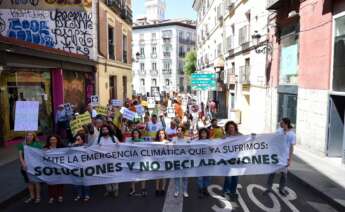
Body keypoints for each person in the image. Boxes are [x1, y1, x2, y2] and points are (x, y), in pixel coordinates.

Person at [264, 118, 296, 196]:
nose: (279, 124)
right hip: (276, 156)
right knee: (272, 173)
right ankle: (268, 188)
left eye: (281, 123)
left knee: (284, 175)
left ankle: (281, 189)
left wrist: (289, 159)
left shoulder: (292, 134)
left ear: (286, 124)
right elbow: (272, 140)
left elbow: (291, 147)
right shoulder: (279, 131)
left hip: (284, 157)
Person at [95, 124, 120, 197]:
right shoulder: (98, 139)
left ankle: (116, 190)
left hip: (113, 161)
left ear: (109, 130)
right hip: (103, 161)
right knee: (105, 176)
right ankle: (108, 190)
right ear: (101, 131)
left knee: (114, 175)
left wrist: (118, 144)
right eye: (103, 130)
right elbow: (92, 148)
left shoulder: (113, 138)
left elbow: (120, 148)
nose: (105, 131)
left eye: (106, 129)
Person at [18, 132, 43, 204]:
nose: (29, 136)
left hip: (35, 166)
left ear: (34, 136)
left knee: (36, 182)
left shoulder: (38, 144)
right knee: (29, 182)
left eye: (31, 135)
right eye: (28, 135)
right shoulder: (22, 145)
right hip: (25, 166)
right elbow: (20, 156)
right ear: (26, 136)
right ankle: (32, 196)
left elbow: (41, 155)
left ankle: (38, 196)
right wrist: (23, 164)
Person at [222, 121, 241, 200]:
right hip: (228, 160)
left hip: (237, 159)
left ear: (235, 128)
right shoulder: (225, 136)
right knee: (228, 177)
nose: (231, 129)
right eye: (229, 128)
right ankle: (225, 190)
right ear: (227, 129)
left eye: (232, 127)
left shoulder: (240, 135)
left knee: (235, 177)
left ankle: (233, 191)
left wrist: (253, 137)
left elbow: (248, 141)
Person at [44, 135, 64, 204]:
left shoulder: (61, 147)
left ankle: (60, 196)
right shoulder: (45, 148)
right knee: (51, 183)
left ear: (57, 140)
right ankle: (51, 196)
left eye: (54, 139)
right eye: (51, 140)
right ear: (49, 141)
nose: (53, 141)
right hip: (49, 169)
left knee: (60, 182)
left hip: (59, 168)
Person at [72, 134, 91, 202]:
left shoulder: (86, 146)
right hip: (76, 167)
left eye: (78, 139)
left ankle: (87, 195)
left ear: (82, 140)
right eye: (76, 139)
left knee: (86, 182)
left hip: (85, 167)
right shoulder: (73, 146)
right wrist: (74, 145)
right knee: (77, 182)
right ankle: (79, 194)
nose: (77, 141)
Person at [128, 129, 147, 196]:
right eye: (134, 133)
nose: (135, 134)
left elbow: (145, 149)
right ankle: (132, 190)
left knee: (142, 175)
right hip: (132, 161)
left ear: (139, 134)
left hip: (140, 160)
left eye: (136, 133)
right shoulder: (129, 141)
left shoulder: (142, 141)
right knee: (132, 176)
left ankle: (143, 189)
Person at [173, 126, 189, 198]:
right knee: (176, 177)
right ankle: (177, 191)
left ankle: (185, 191)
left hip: (185, 161)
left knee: (185, 178)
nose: (177, 132)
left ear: (183, 132)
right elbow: (169, 147)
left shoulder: (187, 139)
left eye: (179, 130)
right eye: (177, 130)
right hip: (176, 161)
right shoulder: (174, 139)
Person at [197, 128, 211, 198]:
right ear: (200, 134)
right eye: (202, 133)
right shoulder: (196, 141)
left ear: (207, 134)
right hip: (199, 162)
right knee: (200, 178)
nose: (203, 134)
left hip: (208, 162)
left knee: (207, 177)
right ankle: (200, 191)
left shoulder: (210, 141)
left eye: (204, 133)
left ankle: (205, 189)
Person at [154, 130, 169, 196]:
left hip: (165, 161)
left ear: (164, 135)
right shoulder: (155, 142)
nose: (161, 135)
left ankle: (163, 189)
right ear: (158, 135)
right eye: (160, 133)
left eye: (162, 133)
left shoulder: (167, 142)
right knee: (157, 176)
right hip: (157, 161)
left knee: (164, 176)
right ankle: (157, 189)